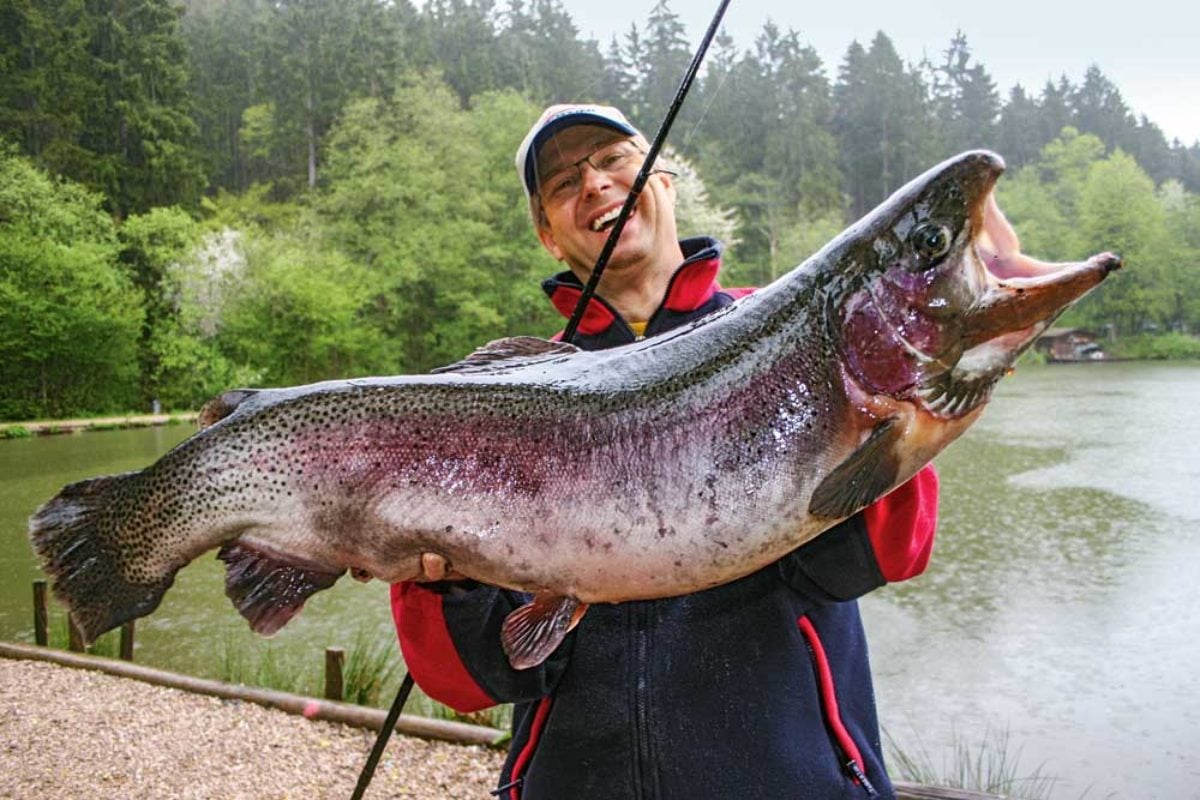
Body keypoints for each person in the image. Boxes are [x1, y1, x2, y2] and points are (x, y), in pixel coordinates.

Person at [391, 103, 939, 800]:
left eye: (614, 158)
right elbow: (466, 681)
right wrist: (448, 582)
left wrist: (887, 407)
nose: (593, 183)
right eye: (562, 184)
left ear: (666, 183)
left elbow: (893, 552)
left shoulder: (792, 333)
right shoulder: (502, 402)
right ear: (547, 237)